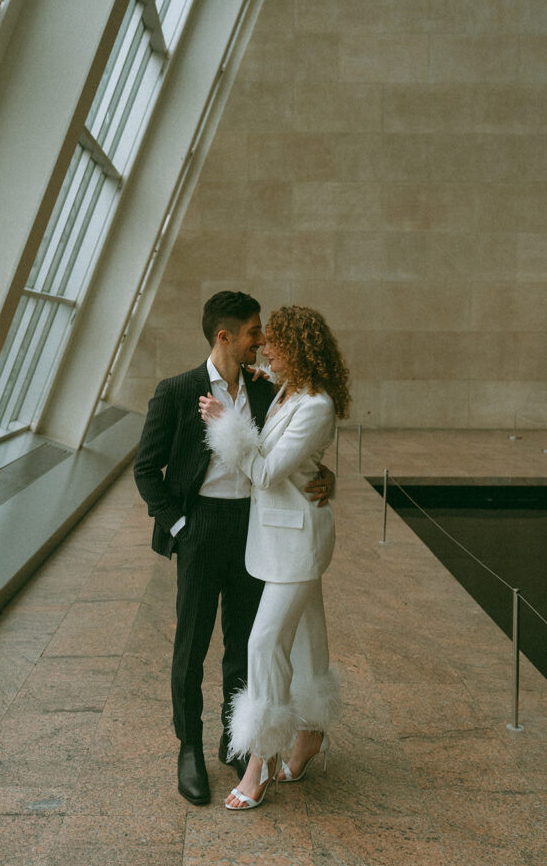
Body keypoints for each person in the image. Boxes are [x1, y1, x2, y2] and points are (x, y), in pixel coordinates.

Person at [133, 291, 334, 806]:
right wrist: (179, 526)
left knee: (245, 643)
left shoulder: (269, 391)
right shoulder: (178, 390)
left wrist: (324, 476)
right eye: (253, 333)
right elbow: (145, 469)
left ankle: (235, 739)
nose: (262, 341)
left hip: (255, 530)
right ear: (224, 335)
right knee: (193, 644)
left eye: (265, 335)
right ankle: (188, 749)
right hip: (199, 529)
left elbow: (288, 452)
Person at [200, 304, 351, 810]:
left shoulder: (316, 406)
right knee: (307, 640)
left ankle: (259, 760)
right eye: (261, 341)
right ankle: (309, 734)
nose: (264, 349)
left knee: (263, 643)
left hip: (297, 544)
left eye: (274, 342)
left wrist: (227, 425)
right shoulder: (289, 390)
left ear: (297, 349)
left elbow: (267, 473)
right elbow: (293, 457)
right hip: (279, 539)